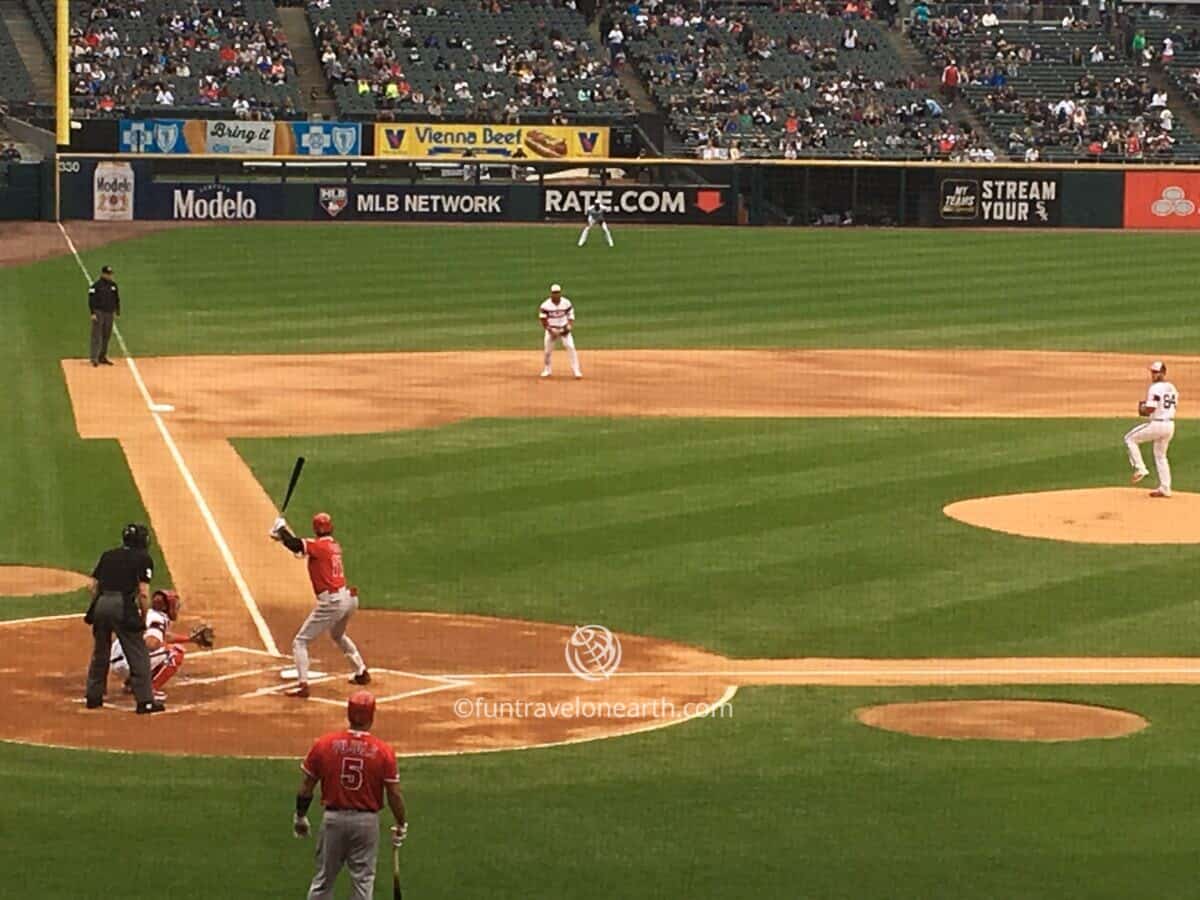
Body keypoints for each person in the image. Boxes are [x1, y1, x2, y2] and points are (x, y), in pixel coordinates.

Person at [294, 691, 407, 900]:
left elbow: (306, 786)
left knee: (323, 881)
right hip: (366, 823)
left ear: (348, 713)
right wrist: (401, 823)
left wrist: (300, 816)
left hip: (333, 820)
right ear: (372, 716)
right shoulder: (383, 751)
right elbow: (394, 793)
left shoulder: (324, 744)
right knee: (363, 882)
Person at [270, 512, 370, 697]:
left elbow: (296, 545)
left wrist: (281, 529)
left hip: (332, 602)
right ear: (331, 527)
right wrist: (281, 536)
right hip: (348, 598)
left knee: (300, 642)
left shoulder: (319, 546)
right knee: (337, 635)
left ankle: (303, 685)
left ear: (315, 529)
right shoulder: (333, 545)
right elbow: (299, 550)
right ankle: (361, 672)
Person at [84, 523, 165, 714]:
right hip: (122, 605)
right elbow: (144, 593)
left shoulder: (108, 555)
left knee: (100, 651)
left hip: (101, 604)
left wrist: (98, 605)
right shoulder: (143, 558)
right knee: (138, 653)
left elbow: (93, 586)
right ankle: (145, 701)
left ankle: (93, 697)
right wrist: (144, 616)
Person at [108, 588, 212, 701]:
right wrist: (164, 646)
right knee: (175, 652)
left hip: (119, 659)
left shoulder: (149, 614)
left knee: (162, 650)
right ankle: (150, 690)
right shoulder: (158, 619)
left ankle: (132, 684)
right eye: (173, 605)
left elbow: (164, 636)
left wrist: (190, 639)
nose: (175, 608)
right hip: (128, 663)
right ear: (165, 607)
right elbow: (151, 643)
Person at [1126, 361, 1178, 497]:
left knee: (1130, 439)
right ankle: (1165, 488)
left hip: (1158, 424)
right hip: (1170, 425)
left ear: (1163, 373)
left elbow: (1151, 408)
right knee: (1161, 456)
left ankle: (1140, 468)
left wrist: (1143, 409)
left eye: (1156, 372)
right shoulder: (1172, 387)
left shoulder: (1154, 388)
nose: (1154, 375)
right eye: (1153, 372)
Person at [539, 283, 582, 379]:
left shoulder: (566, 303)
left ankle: (576, 370)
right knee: (547, 351)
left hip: (564, 329)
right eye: (554, 293)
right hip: (552, 329)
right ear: (551, 294)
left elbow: (571, 315)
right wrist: (550, 330)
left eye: (557, 292)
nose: (556, 294)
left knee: (570, 347)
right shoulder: (545, 305)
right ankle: (547, 370)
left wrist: (569, 326)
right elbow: (543, 319)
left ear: (560, 293)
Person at [88, 264, 120, 367]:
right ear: (103, 274)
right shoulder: (96, 286)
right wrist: (92, 313)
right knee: (97, 335)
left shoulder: (113, 285)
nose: (110, 276)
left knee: (106, 335)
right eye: (108, 274)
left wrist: (117, 310)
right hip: (99, 312)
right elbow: (91, 300)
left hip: (109, 313)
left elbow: (116, 298)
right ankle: (94, 358)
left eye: (110, 274)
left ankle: (102, 356)